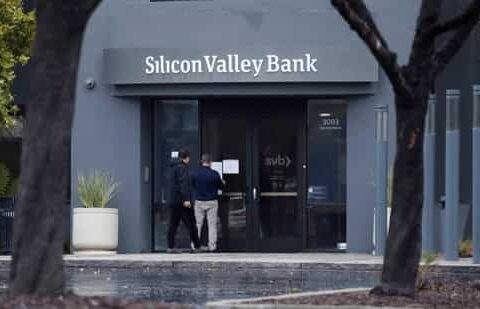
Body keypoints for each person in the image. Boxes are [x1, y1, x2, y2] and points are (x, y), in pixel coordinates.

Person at [166, 150, 201, 253]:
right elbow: (183, 184)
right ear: (187, 158)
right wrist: (186, 199)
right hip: (182, 202)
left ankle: (170, 247)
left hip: (174, 201)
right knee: (191, 224)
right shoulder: (182, 168)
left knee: (173, 224)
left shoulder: (172, 168)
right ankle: (197, 246)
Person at [192, 153, 225, 252]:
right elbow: (221, 186)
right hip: (212, 201)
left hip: (199, 201)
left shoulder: (196, 174)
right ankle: (212, 246)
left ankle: (195, 245)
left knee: (197, 224)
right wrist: (223, 182)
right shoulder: (214, 174)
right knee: (212, 225)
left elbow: (193, 185)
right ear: (210, 162)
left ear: (202, 162)